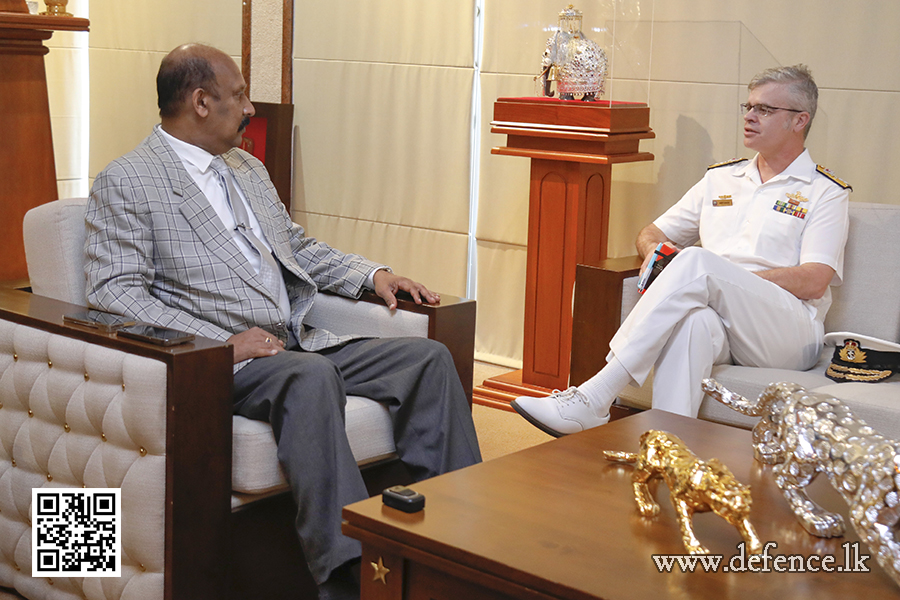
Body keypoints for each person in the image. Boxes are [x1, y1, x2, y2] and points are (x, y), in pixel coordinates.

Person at [85, 43, 481, 599]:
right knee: (309, 378)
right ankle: (350, 577)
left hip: (296, 339)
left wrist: (372, 276)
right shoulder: (128, 181)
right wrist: (223, 344)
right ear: (201, 101)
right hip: (220, 361)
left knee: (428, 361)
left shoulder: (245, 166)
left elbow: (293, 248)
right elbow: (114, 293)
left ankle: (455, 548)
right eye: (239, 94)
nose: (249, 108)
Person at [512, 64, 851, 437]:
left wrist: (727, 282)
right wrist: (659, 256)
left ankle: (596, 394)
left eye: (765, 110)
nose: (750, 116)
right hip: (721, 320)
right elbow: (652, 232)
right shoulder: (721, 178)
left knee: (697, 263)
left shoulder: (825, 191)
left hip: (788, 332)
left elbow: (815, 280)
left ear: (799, 120)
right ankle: (667, 452)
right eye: (749, 106)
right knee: (693, 322)